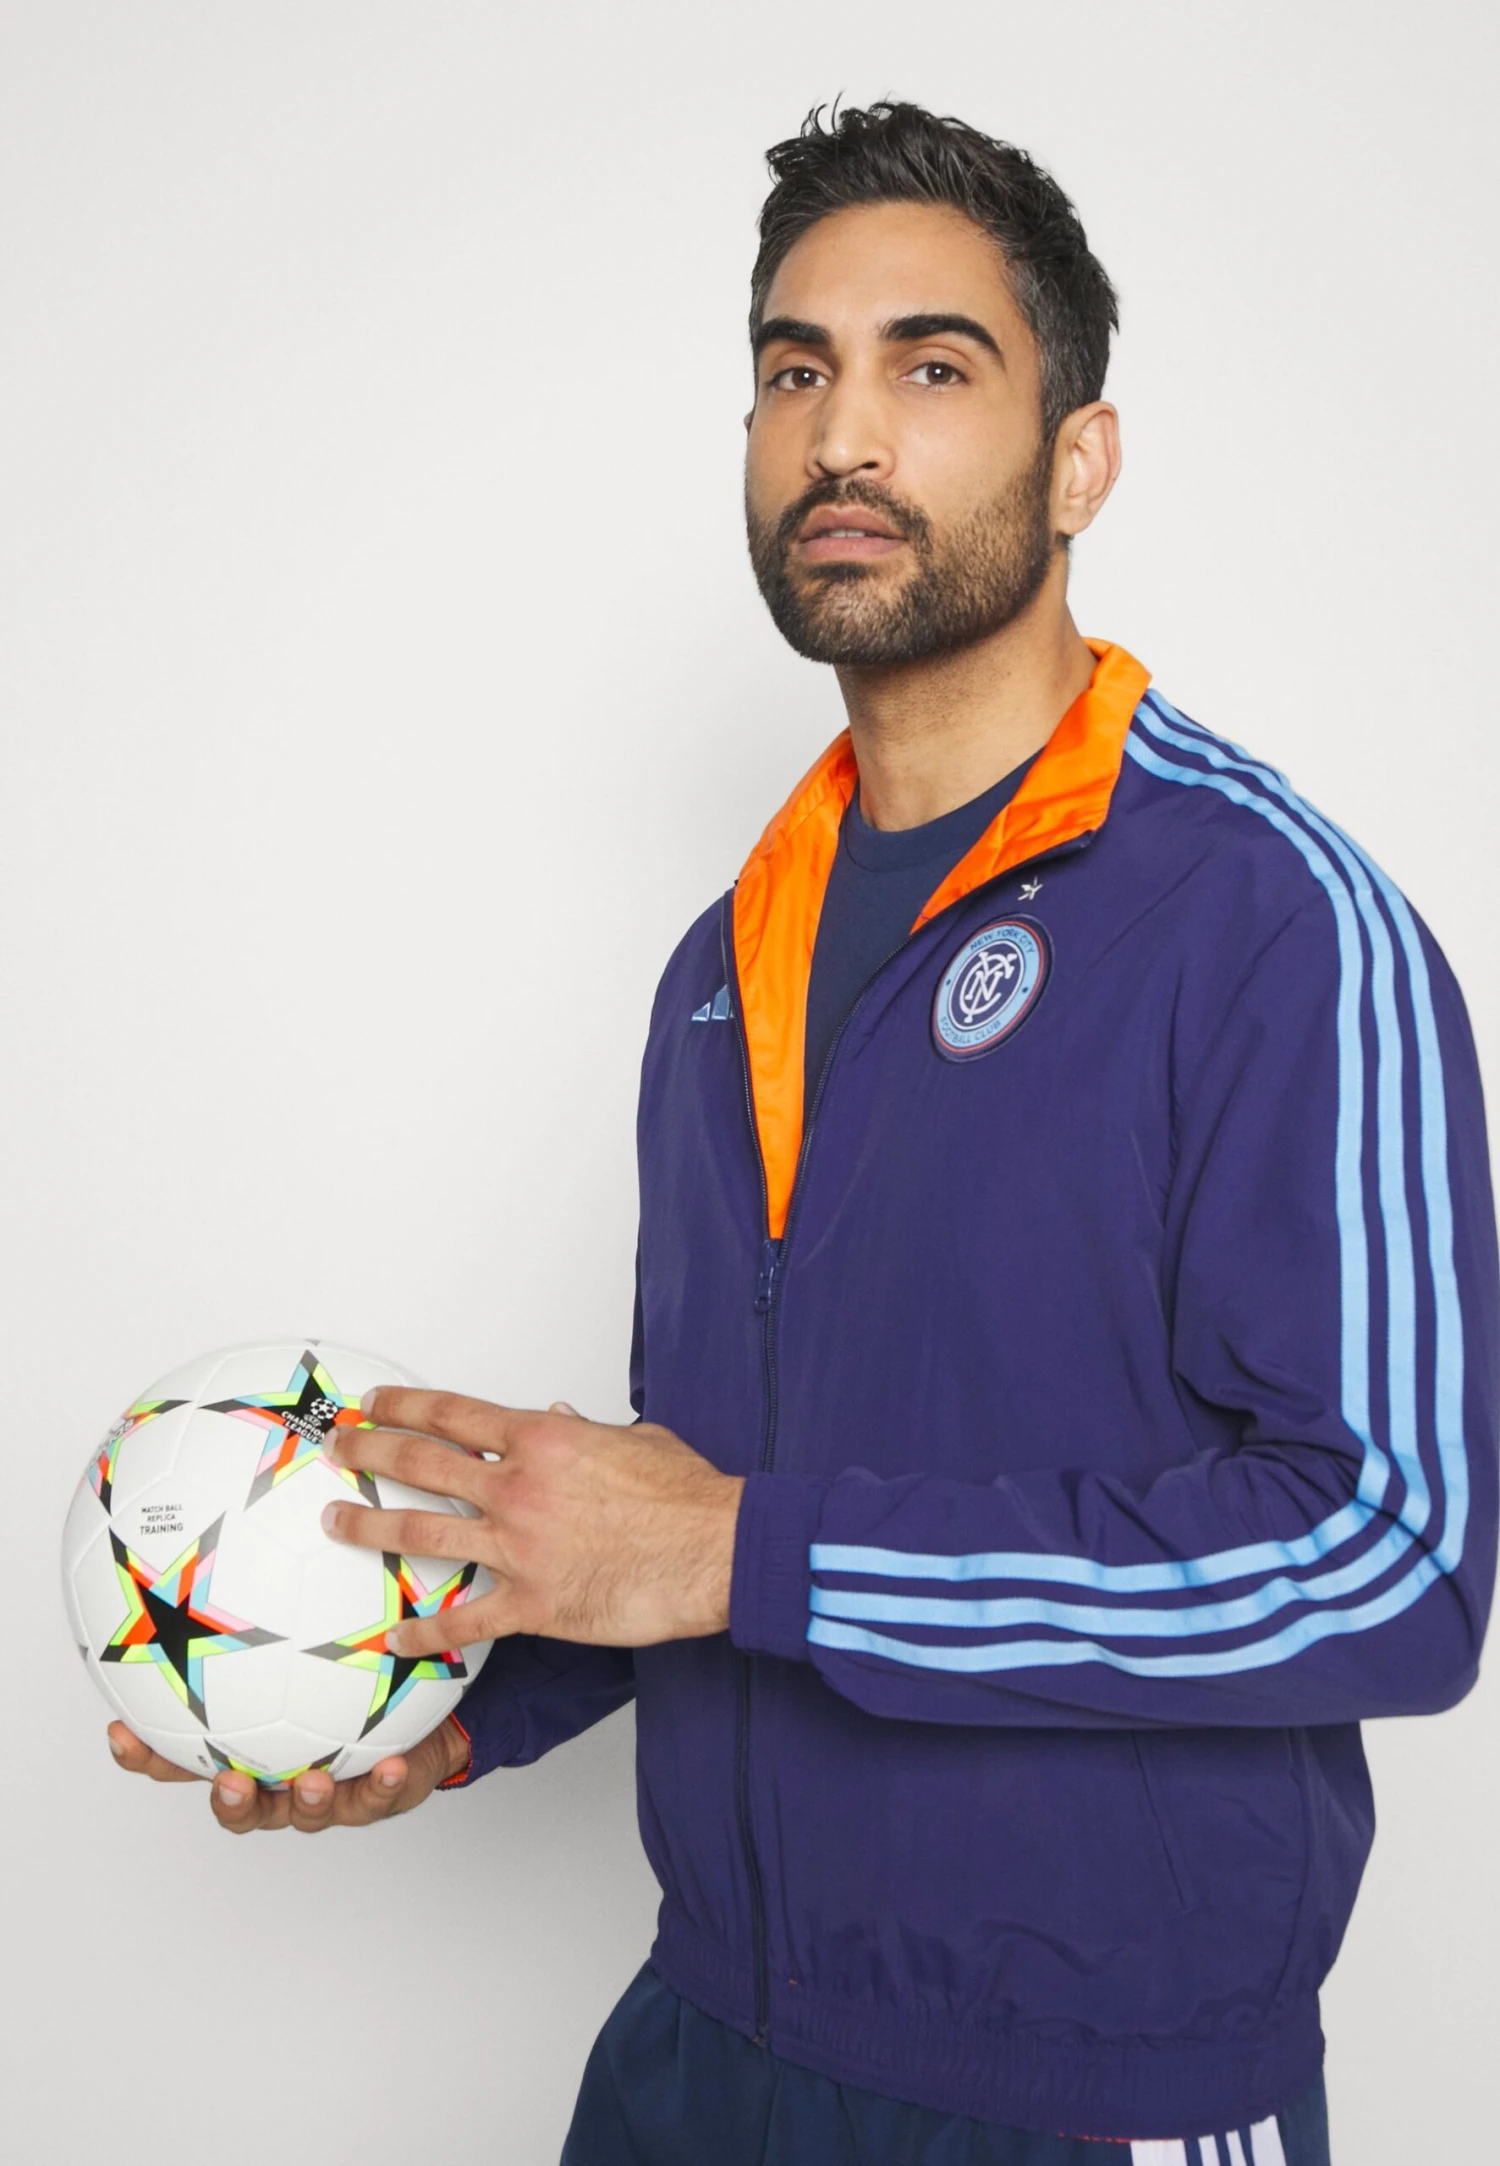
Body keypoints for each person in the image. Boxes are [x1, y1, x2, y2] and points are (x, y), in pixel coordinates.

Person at [111, 100, 1499, 2166]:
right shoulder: (727, 959)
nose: (842, 434)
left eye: (931, 368)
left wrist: (729, 1548)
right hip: (704, 2053)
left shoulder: (1274, 921)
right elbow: (729, 1492)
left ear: (1080, 458)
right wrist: (448, 1700)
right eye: (792, 372)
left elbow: (1388, 1561)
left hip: (1084, 2101)